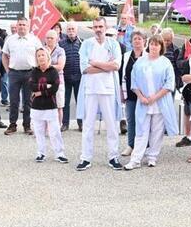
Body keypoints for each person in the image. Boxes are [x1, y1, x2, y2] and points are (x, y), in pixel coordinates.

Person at [76, 17, 124, 171]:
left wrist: (95, 63)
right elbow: (84, 68)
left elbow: (116, 66)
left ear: (106, 27)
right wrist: (106, 66)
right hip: (90, 90)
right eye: (95, 26)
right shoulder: (86, 44)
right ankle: (85, 158)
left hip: (108, 89)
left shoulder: (113, 44)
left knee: (111, 125)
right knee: (88, 125)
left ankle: (113, 157)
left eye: (100, 26)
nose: (98, 29)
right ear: (93, 28)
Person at [125, 34, 179, 169]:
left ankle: (152, 156)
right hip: (143, 102)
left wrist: (154, 97)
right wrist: (141, 96)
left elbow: (169, 84)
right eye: (152, 44)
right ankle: (135, 159)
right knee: (141, 131)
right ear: (148, 45)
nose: (154, 47)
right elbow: (134, 81)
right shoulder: (140, 62)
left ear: (161, 47)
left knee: (157, 131)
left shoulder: (165, 62)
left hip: (159, 103)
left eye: (157, 44)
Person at [3, 16, 41, 135]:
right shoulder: (10, 39)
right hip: (14, 73)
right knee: (14, 101)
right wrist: (8, 70)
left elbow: (40, 54)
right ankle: (12, 125)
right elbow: (4, 55)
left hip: (30, 73)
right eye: (20, 24)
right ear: (17, 25)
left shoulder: (34, 40)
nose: (22, 27)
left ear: (28, 26)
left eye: (24, 25)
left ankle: (27, 125)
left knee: (28, 101)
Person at [30, 47, 68, 163]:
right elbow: (32, 86)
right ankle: (41, 153)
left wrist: (40, 92)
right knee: (39, 132)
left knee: (54, 132)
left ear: (47, 56)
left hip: (50, 106)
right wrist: (47, 86)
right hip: (37, 107)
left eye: (43, 55)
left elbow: (54, 88)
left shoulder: (53, 71)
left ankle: (59, 153)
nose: (41, 57)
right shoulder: (34, 71)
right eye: (38, 55)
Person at [119, 29, 147, 156]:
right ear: (131, 41)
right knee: (131, 120)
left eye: (139, 39)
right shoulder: (126, 56)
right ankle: (131, 145)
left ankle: (144, 146)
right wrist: (121, 91)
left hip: (144, 94)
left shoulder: (148, 57)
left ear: (144, 41)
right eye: (135, 39)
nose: (137, 41)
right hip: (130, 93)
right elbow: (121, 74)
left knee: (144, 121)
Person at [60, 21, 83, 131]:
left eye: (73, 29)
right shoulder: (61, 44)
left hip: (79, 78)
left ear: (77, 30)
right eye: (69, 29)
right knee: (65, 102)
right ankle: (65, 123)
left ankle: (81, 123)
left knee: (80, 102)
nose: (71, 31)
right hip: (65, 77)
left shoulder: (82, 43)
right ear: (66, 31)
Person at [46, 29, 67, 125]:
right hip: (44, 82)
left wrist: (46, 66)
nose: (49, 40)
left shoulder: (60, 51)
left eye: (52, 38)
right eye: (47, 38)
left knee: (59, 106)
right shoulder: (42, 50)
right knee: (45, 106)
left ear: (57, 39)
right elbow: (37, 65)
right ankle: (46, 127)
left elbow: (60, 67)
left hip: (58, 81)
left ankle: (58, 126)